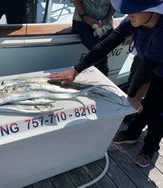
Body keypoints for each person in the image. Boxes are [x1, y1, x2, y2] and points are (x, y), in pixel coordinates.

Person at [49, 0, 163, 168]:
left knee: (158, 109)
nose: (128, 14)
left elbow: (147, 67)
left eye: (134, 10)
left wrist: (131, 95)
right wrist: (76, 70)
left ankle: (150, 147)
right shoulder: (132, 20)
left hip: (157, 64)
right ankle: (132, 133)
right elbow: (107, 44)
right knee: (142, 103)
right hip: (148, 58)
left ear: (154, 11)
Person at [72, 0, 115, 76]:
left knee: (102, 52)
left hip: (105, 24)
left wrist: (106, 19)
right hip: (82, 22)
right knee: (101, 54)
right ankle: (103, 82)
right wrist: (85, 17)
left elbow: (116, 4)